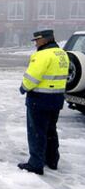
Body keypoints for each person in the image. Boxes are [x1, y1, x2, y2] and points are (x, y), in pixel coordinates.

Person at [18, 29, 69, 175]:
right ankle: (52, 160)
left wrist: (23, 88)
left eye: (37, 40)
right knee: (51, 130)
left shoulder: (41, 55)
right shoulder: (62, 53)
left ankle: (35, 163)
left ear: (46, 39)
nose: (35, 44)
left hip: (39, 100)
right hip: (57, 99)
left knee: (36, 132)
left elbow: (32, 77)